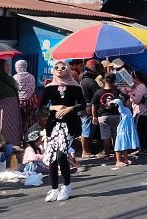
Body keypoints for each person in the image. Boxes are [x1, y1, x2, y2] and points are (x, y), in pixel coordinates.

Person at [39, 61, 85, 202]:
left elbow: (82, 104)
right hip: (53, 125)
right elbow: (41, 107)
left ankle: (67, 186)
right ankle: (54, 189)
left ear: (68, 69)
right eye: (56, 67)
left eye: (63, 67)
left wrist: (70, 108)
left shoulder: (75, 86)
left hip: (69, 125)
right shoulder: (49, 87)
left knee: (61, 155)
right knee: (52, 158)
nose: (59, 70)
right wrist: (54, 108)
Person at [0, 59, 22, 146]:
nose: (8, 67)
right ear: (0, 68)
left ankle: (14, 145)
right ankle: (2, 145)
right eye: (6, 66)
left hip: (13, 108)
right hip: (2, 109)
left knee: (13, 126)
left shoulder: (10, 78)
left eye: (8, 65)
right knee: (3, 126)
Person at [92, 73, 124, 160]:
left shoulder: (98, 92)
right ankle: (117, 154)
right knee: (116, 136)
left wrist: (94, 116)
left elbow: (94, 105)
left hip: (103, 116)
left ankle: (107, 155)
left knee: (106, 137)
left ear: (104, 80)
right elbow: (123, 101)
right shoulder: (116, 91)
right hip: (115, 115)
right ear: (113, 81)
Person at [79, 60, 101, 159]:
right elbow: (98, 96)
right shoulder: (91, 82)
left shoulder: (82, 80)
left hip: (83, 108)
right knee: (86, 131)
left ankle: (86, 150)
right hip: (88, 109)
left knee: (86, 130)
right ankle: (85, 151)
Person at [14, 60, 38, 143]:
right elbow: (33, 88)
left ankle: (20, 139)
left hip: (19, 103)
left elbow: (14, 90)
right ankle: (31, 140)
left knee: (20, 121)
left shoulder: (15, 77)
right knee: (31, 121)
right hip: (31, 102)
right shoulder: (32, 77)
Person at [109, 98, 138, 167]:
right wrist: (110, 101)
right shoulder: (121, 109)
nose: (130, 101)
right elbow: (118, 101)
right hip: (122, 129)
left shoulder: (127, 109)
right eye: (128, 100)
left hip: (128, 129)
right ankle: (118, 161)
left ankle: (126, 159)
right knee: (119, 144)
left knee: (125, 145)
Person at [130, 70, 147, 156]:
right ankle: (143, 147)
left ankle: (141, 148)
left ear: (136, 78)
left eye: (132, 78)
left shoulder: (141, 87)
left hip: (141, 112)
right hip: (140, 111)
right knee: (141, 130)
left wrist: (129, 94)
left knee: (140, 131)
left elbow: (137, 100)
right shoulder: (139, 86)